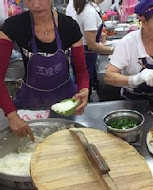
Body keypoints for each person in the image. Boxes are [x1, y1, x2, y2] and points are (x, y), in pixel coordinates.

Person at [0, 0, 89, 140]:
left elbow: (81, 71)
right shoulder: (13, 26)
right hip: (30, 105)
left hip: (65, 104)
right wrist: (11, 115)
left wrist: (84, 90)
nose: (36, 5)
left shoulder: (69, 26)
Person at [73, 0, 114, 100]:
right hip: (86, 55)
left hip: (83, 53)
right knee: (85, 87)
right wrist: (114, 50)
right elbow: (92, 45)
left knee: (85, 86)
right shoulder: (89, 12)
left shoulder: (87, 7)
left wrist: (99, 35)